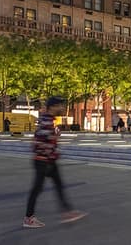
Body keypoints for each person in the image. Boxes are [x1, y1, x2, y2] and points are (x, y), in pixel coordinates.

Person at [23, 97, 87, 228]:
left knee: (58, 185)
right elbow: (41, 141)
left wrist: (53, 142)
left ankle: (67, 211)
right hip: (44, 161)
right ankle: (29, 218)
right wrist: (51, 149)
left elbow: (44, 139)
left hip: (48, 160)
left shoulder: (48, 120)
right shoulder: (46, 121)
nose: (62, 108)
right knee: (37, 189)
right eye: (60, 106)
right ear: (52, 107)